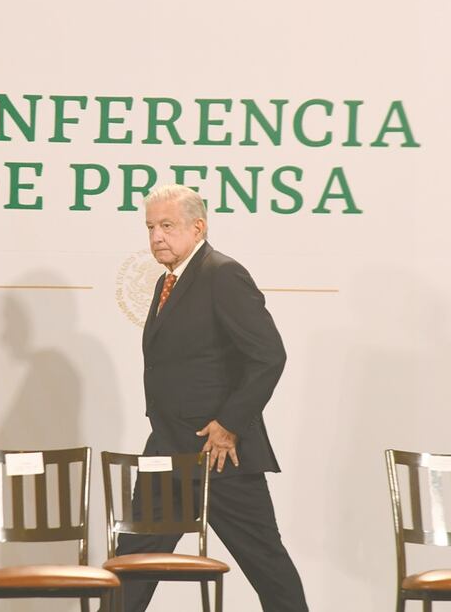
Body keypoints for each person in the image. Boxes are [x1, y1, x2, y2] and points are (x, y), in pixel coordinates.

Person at [114, 184, 308, 612]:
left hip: (216, 452)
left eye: (167, 226)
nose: (156, 237)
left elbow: (268, 355)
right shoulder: (172, 279)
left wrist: (229, 425)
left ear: (197, 226)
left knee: (265, 564)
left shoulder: (222, 273)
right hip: (168, 448)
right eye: (150, 227)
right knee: (131, 566)